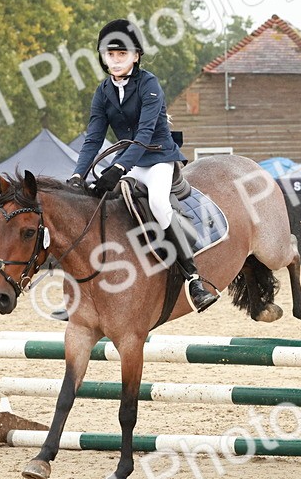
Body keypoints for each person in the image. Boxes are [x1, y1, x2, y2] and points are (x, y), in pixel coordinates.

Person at [68, 19, 218, 313]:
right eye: (109, 54)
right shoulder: (102, 92)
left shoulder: (149, 84)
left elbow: (145, 133)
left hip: (158, 157)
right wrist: (77, 175)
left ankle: (194, 279)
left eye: (121, 54)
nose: (115, 60)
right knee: (98, 204)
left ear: (136, 56)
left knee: (159, 203)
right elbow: (93, 139)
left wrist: (119, 169)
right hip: (129, 160)